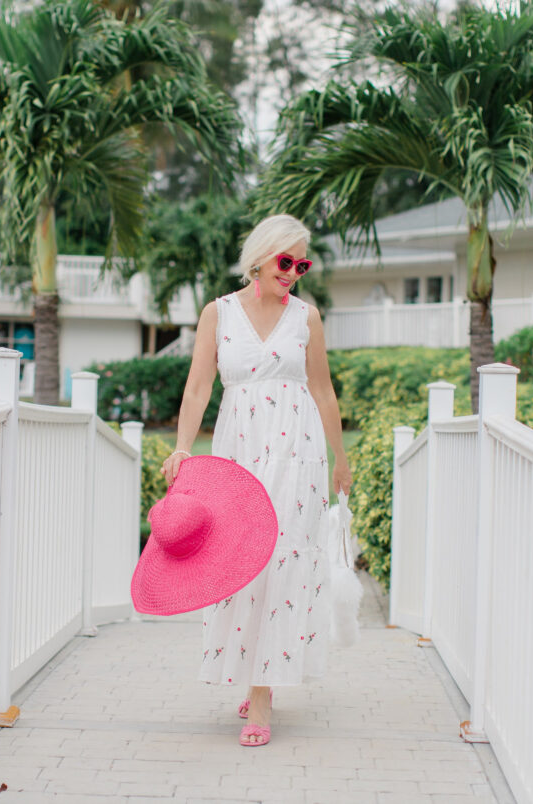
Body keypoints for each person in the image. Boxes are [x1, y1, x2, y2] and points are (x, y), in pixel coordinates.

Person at [161, 213, 352, 746]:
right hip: (239, 449)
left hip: (299, 453)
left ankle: (263, 695)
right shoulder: (217, 313)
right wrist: (181, 447)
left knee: (285, 560)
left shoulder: (307, 318)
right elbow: (198, 387)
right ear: (259, 258)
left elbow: (324, 391)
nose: (293, 272)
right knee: (243, 560)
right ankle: (252, 670)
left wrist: (340, 458)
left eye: (302, 264)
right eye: (284, 261)